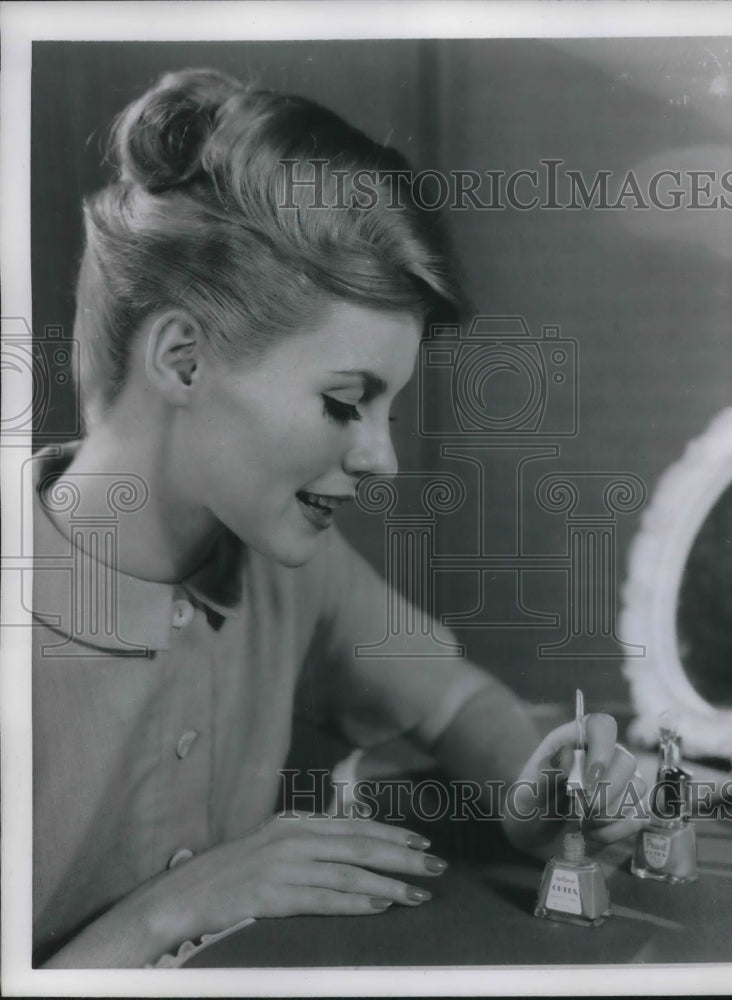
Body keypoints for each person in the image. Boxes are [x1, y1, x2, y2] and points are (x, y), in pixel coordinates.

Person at [32, 68, 643, 968]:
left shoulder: (286, 565)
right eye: (343, 401)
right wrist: (173, 908)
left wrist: (537, 793)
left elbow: (456, 698)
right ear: (183, 359)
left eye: (386, 411)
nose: (380, 458)